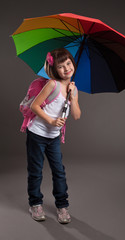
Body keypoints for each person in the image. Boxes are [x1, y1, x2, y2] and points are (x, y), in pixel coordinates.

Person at [26, 48, 81, 223]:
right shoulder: (52, 84)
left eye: (68, 63)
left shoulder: (74, 89)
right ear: (54, 69)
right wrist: (50, 121)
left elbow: (77, 115)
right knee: (36, 171)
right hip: (37, 134)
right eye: (60, 66)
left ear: (73, 63)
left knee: (59, 172)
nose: (66, 68)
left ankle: (62, 206)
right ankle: (35, 203)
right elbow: (34, 106)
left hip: (54, 137)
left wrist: (73, 98)